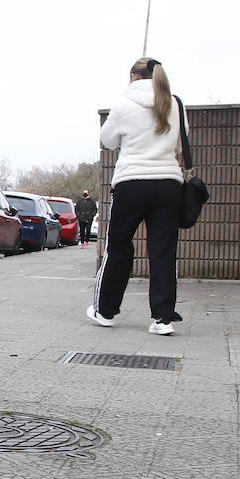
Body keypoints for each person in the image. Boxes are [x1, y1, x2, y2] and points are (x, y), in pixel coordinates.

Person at [88, 57, 185, 336]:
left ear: (132, 76)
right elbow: (180, 143)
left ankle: (105, 311)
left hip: (131, 183)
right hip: (168, 184)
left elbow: (107, 140)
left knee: (118, 247)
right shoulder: (174, 104)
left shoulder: (123, 104)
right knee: (163, 252)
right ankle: (163, 318)